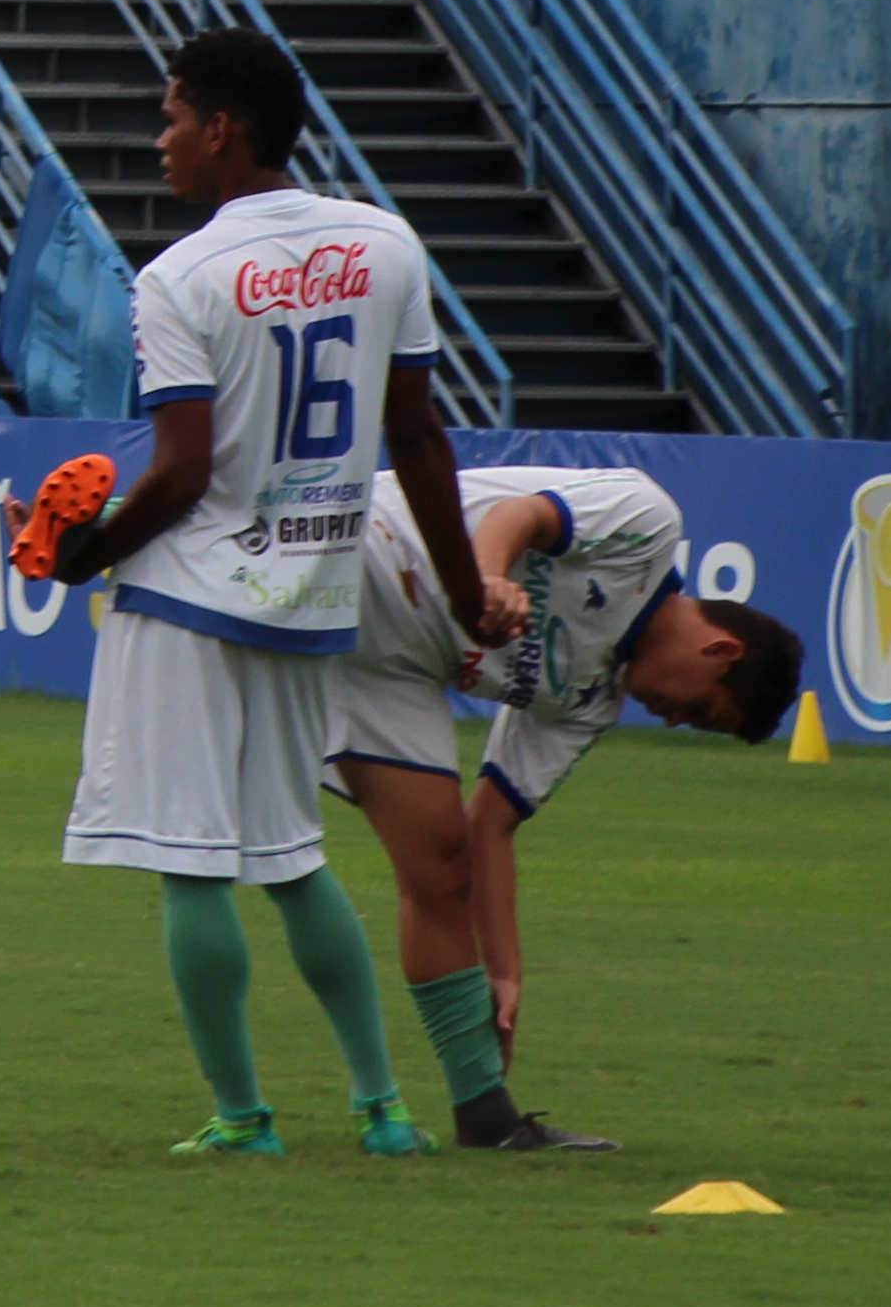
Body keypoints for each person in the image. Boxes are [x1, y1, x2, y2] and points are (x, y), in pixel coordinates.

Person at [16, 25, 491, 1160]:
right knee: (290, 856)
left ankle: (243, 1118)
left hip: (186, 598)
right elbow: (418, 436)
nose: (162, 141)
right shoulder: (387, 244)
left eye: (172, 118)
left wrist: (87, 552)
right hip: (311, 593)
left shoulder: (178, 275)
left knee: (191, 860)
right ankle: (382, 1109)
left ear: (221, 130)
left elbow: (183, 469)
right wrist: (469, 597)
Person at [320, 460, 804, 1152]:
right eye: (700, 710)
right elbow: (518, 515)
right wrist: (484, 582)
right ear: (720, 649)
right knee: (226, 563)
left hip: (388, 672)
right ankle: (130, 512)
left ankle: (485, 1118)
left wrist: (505, 971)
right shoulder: (648, 523)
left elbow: (491, 823)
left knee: (440, 864)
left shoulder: (587, 704)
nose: (672, 721)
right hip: (381, 546)